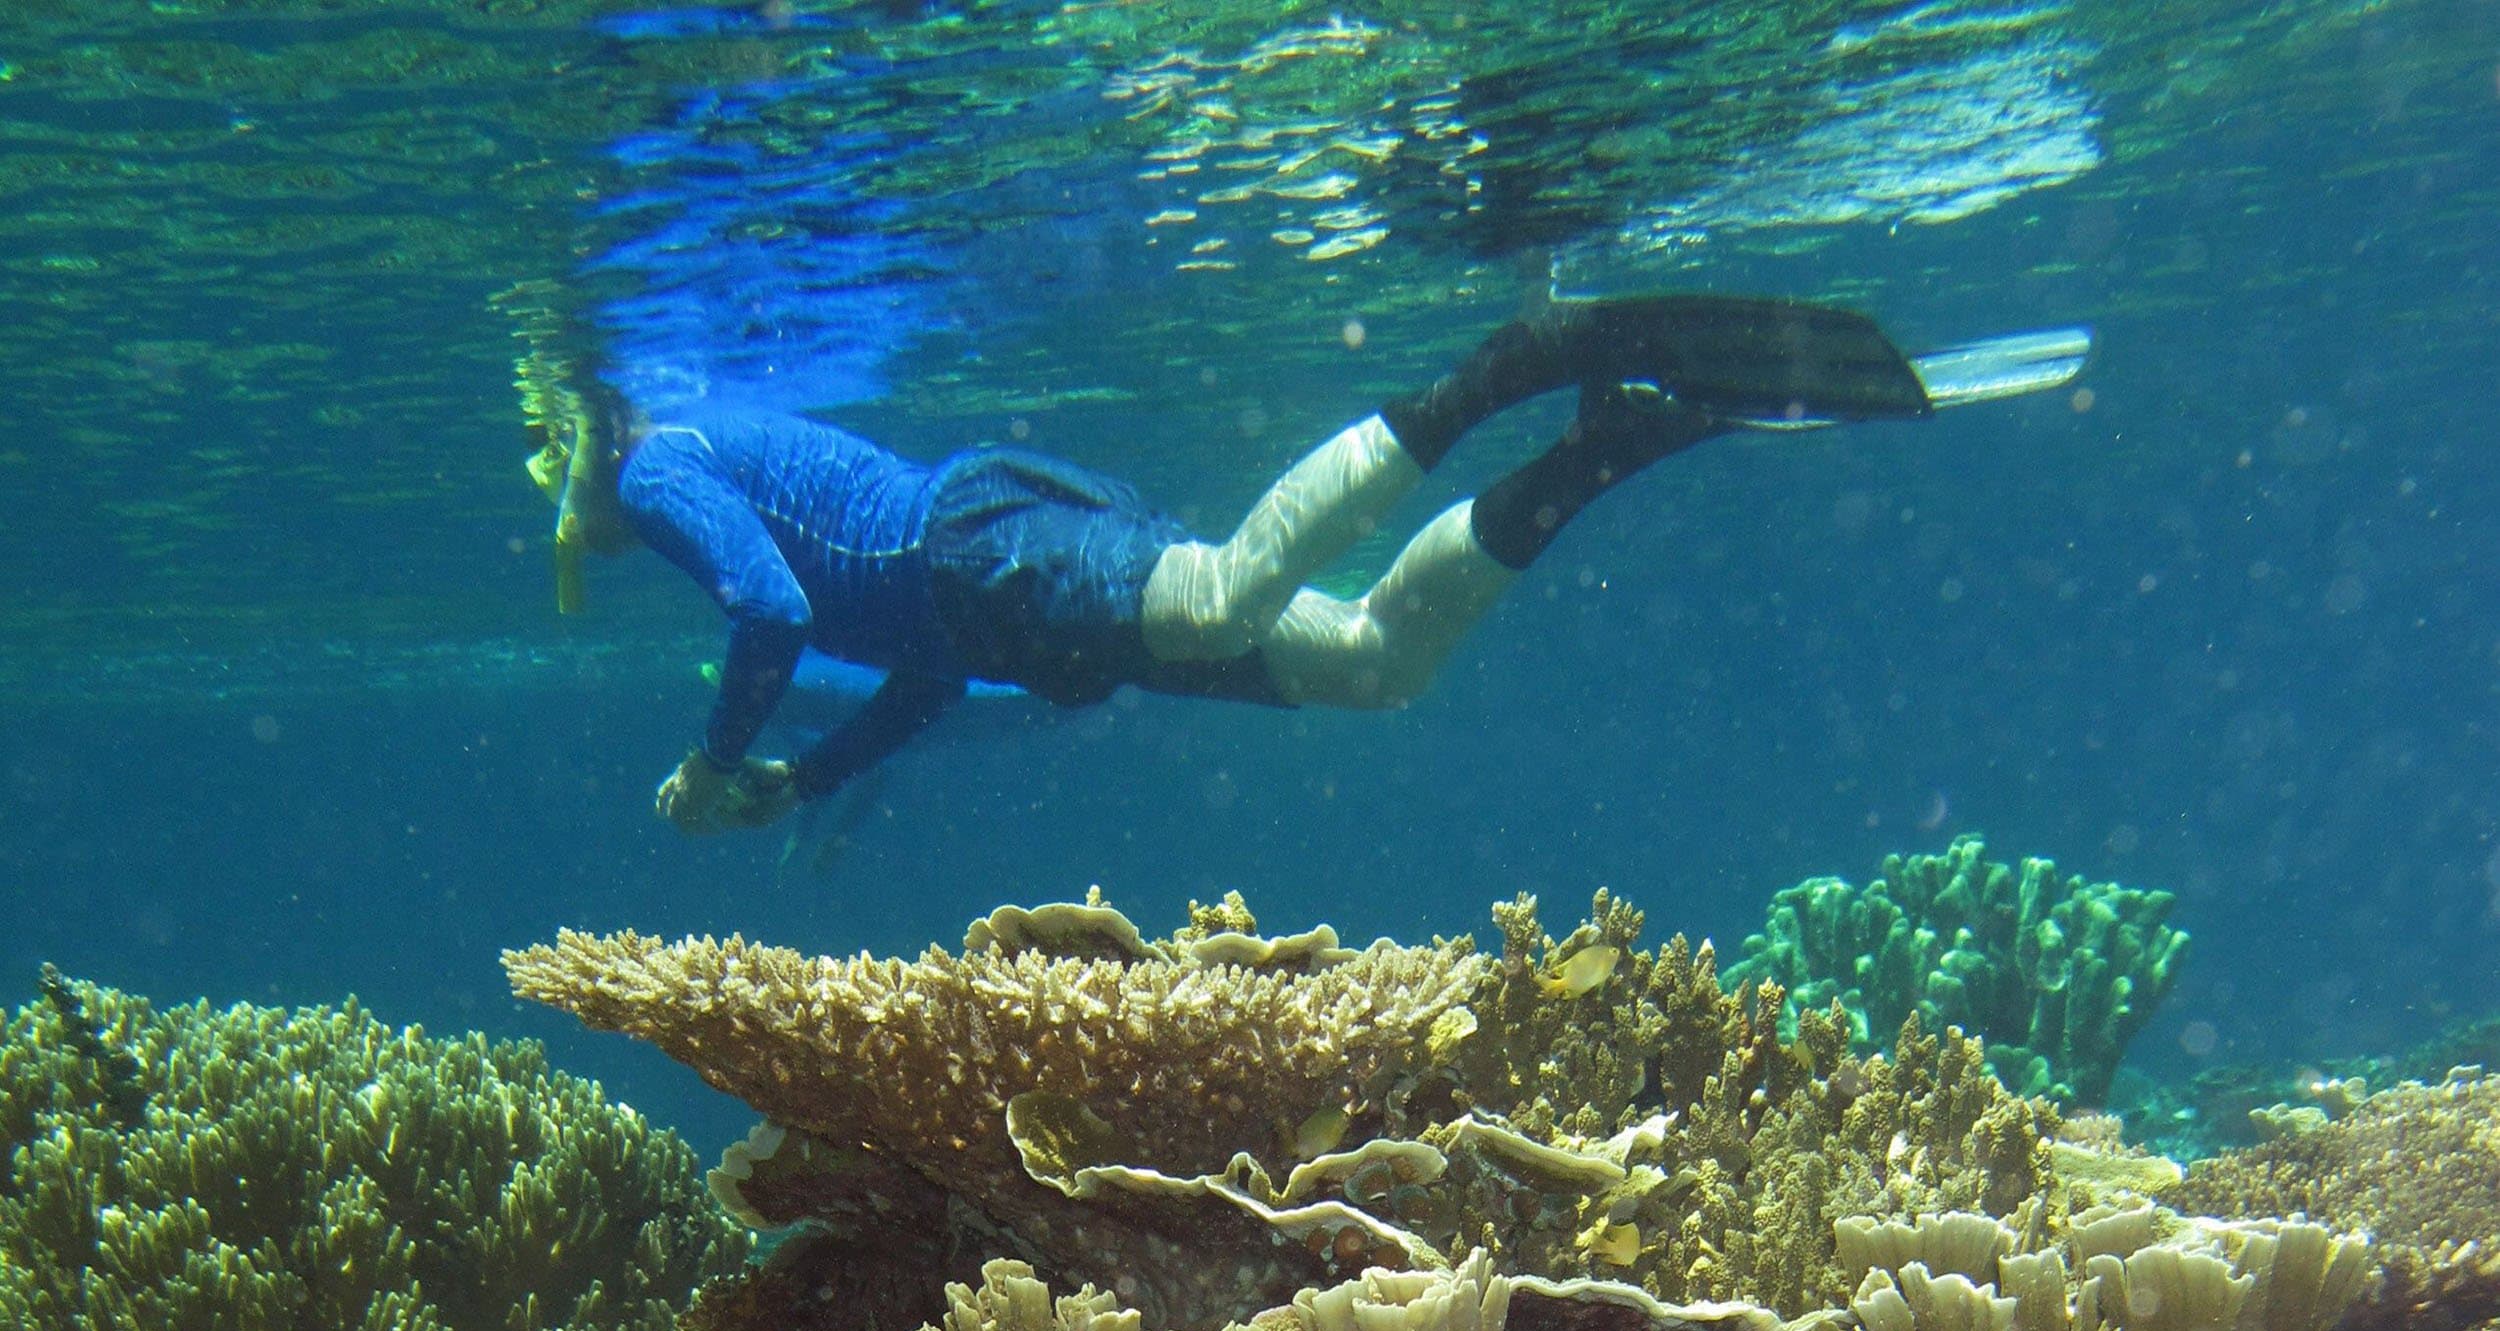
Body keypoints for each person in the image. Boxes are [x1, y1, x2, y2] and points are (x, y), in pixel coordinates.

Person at [527, 297, 2080, 834]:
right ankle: (1604, 441)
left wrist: (715, 756)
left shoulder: (656, 464)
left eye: (543, 466)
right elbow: (919, 669)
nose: (554, 503)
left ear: (580, 435)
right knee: (1372, 670)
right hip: (987, 604)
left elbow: (774, 605)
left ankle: (1505, 371)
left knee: (1222, 594)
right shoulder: (675, 465)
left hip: (980, 548)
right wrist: (803, 786)